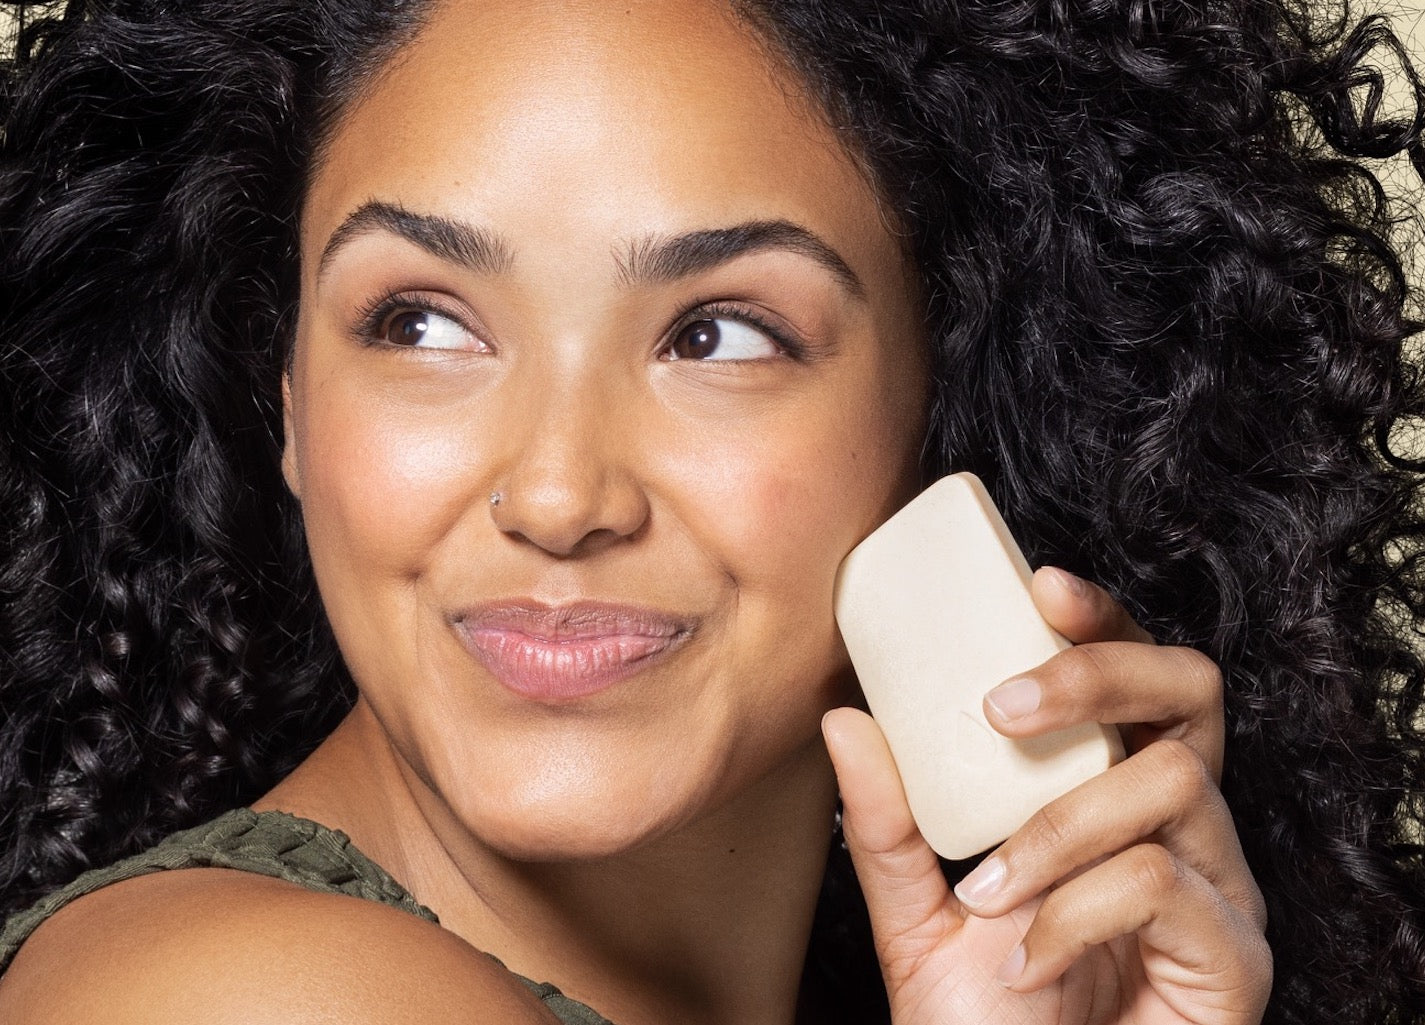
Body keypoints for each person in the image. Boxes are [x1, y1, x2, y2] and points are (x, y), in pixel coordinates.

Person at [0, 0, 1421, 1022]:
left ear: (947, 405)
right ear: (288, 399)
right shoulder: (247, 997)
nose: (557, 494)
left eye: (717, 334)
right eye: (422, 323)